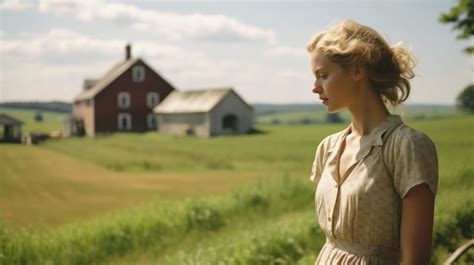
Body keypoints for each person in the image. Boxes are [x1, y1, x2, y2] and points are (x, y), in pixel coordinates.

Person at [307, 20, 438, 265]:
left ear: (357, 71)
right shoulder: (328, 148)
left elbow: (416, 260)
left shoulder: (407, 146)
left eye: (323, 76)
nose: (314, 88)